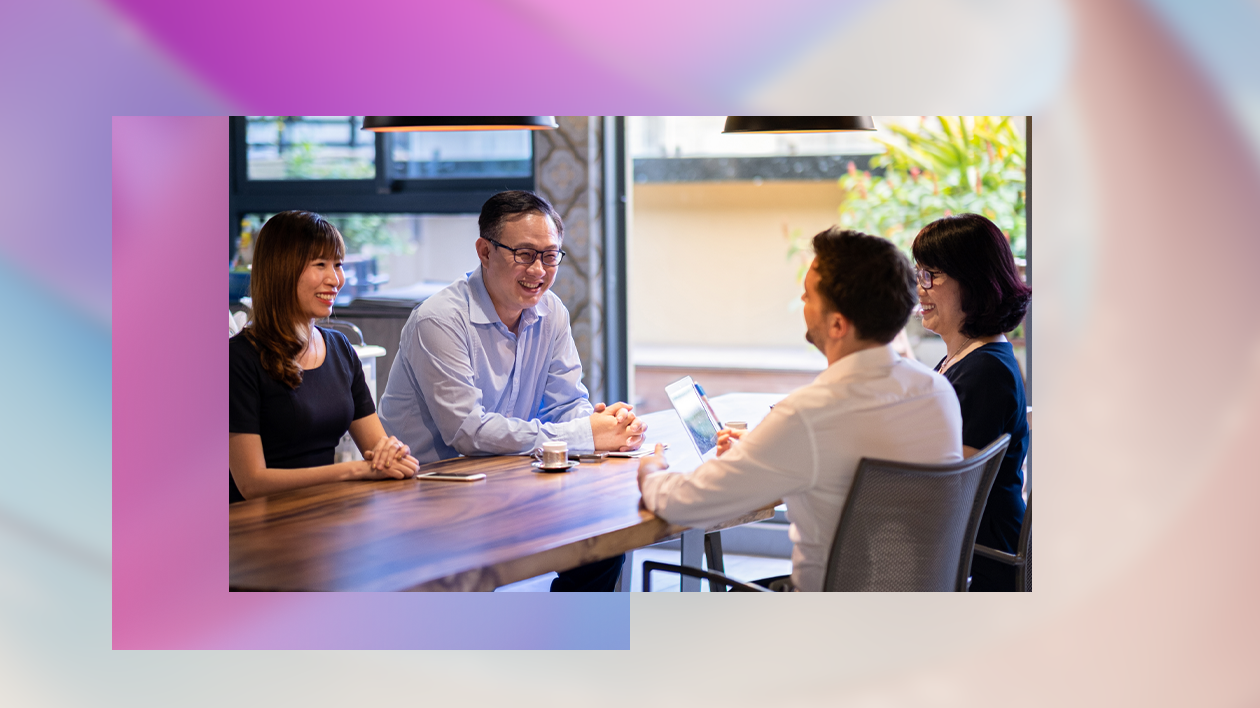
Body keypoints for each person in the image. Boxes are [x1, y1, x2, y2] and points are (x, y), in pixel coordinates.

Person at [637, 228, 963, 592]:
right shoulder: (937, 393)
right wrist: (761, 449)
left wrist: (651, 470)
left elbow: (686, 503)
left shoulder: (808, 416)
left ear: (838, 324)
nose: (802, 302)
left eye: (809, 296)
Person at [379, 190, 644, 591]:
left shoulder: (551, 311)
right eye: (524, 254)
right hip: (427, 492)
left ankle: (569, 649)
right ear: (484, 251)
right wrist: (585, 435)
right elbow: (468, 432)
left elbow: (567, 403)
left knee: (603, 543)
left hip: (503, 480)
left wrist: (601, 425)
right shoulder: (438, 320)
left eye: (550, 255)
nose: (538, 270)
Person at [229, 211, 419, 503]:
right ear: (282, 270)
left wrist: (395, 456)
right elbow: (251, 483)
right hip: (257, 528)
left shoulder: (341, 348)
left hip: (323, 515)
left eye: (338, 265)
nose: (335, 279)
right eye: (320, 265)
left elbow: (379, 448)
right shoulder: (238, 359)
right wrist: (353, 471)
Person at [912, 213, 1032, 592]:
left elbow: (949, 490)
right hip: (961, 551)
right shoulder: (964, 359)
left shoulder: (985, 372)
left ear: (973, 281)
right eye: (919, 274)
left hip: (980, 560)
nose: (921, 289)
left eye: (932, 275)